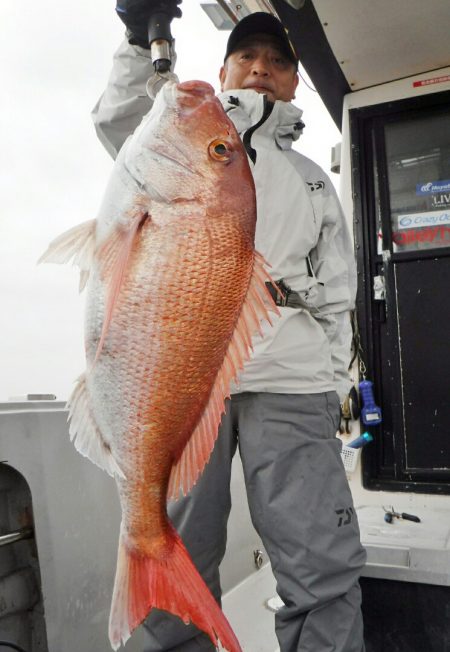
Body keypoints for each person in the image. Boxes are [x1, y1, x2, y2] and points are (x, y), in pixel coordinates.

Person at [92, 7, 366, 652]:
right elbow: (114, 117)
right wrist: (139, 40)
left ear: (295, 82)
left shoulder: (314, 181)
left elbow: (338, 294)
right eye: (247, 57)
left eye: (277, 62)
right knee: (176, 544)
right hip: (186, 381)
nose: (261, 70)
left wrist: (332, 385)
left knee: (320, 559)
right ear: (223, 70)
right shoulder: (173, 132)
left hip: (292, 385)